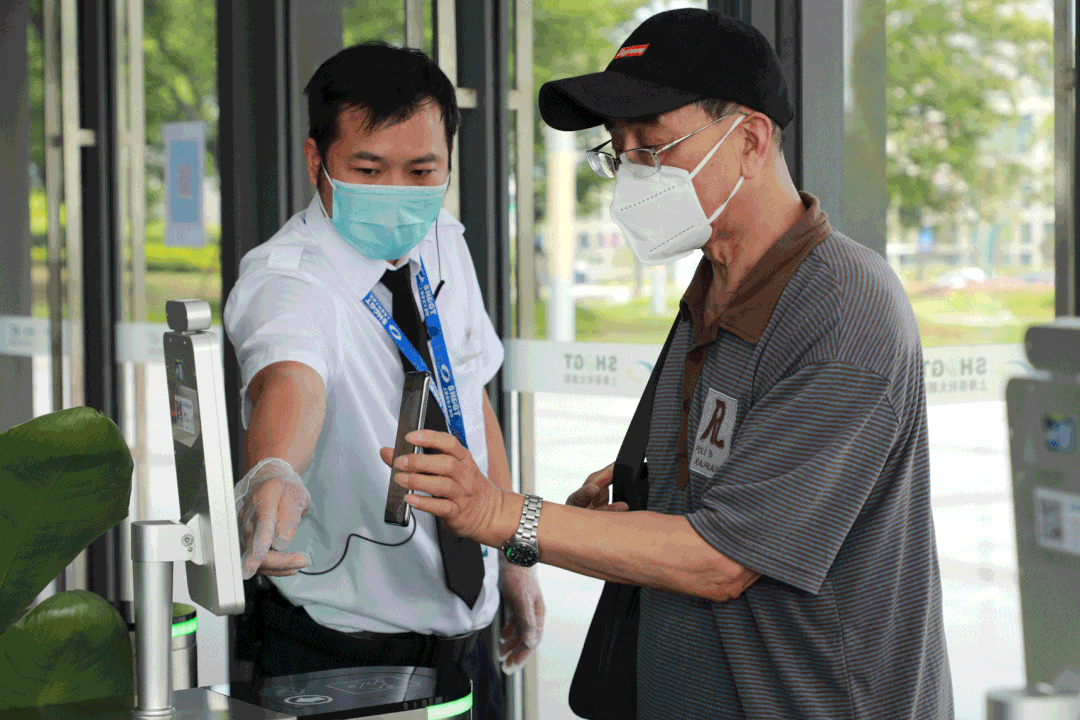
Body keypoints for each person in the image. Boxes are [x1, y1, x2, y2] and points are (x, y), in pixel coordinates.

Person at [380, 9, 953, 720]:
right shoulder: (716, 287)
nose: (631, 177)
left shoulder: (840, 310)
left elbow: (719, 560)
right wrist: (632, 511)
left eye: (653, 148)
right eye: (619, 154)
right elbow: (710, 502)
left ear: (750, 140)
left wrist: (498, 513)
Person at [222, 41, 544, 720]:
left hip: (468, 644)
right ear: (317, 160)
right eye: (368, 170)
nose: (398, 193)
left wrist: (513, 554)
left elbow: (470, 396)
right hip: (339, 659)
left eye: (423, 170)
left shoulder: (443, 238)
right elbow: (291, 380)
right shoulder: (286, 277)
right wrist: (274, 470)